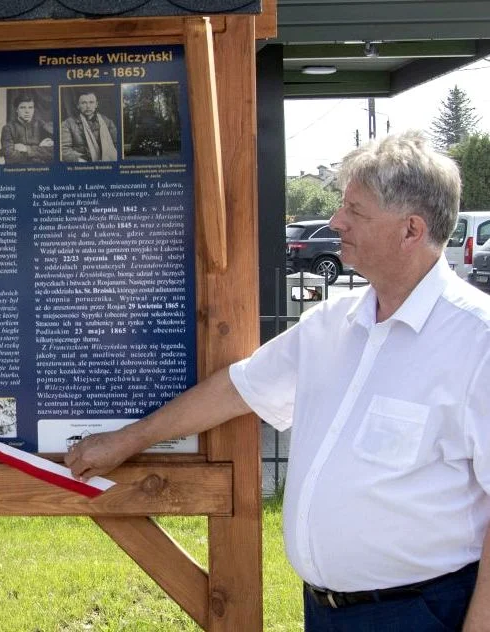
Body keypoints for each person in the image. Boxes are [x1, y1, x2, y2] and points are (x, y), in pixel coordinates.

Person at [66, 132, 490, 631]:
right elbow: (236, 388)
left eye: (355, 210)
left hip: (423, 613)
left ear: (411, 229)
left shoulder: (476, 341)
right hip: (324, 612)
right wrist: (129, 438)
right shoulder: (332, 324)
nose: (336, 222)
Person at [60, 90, 117, 162]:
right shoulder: (67, 124)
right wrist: (79, 160)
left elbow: (116, 144)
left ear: (96, 105)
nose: (88, 106)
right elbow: (64, 149)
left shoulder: (107, 122)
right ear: (78, 106)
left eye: (91, 102)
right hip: (81, 163)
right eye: (84, 103)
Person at [0, 93, 53, 164]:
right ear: (16, 110)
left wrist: (26, 149)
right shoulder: (8, 128)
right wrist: (39, 149)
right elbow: (10, 157)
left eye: (30, 107)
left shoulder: (41, 125)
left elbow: (52, 152)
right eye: (23, 107)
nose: (27, 111)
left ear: (34, 109)